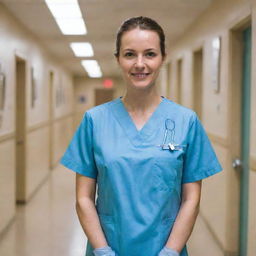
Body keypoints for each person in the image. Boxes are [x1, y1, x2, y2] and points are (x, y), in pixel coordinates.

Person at [60, 16, 223, 256]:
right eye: (129, 54)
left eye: (149, 54)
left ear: (162, 57)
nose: (140, 64)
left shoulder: (186, 121)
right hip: (108, 246)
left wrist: (170, 251)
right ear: (118, 59)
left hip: (167, 248)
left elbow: (191, 200)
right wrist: (103, 250)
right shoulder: (94, 121)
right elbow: (83, 198)